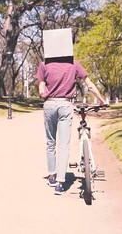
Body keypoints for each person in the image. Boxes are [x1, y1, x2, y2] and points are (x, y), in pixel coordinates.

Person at [36, 57, 107, 195]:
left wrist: (44, 94)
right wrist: (101, 100)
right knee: (64, 144)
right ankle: (60, 184)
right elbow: (89, 84)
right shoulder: (73, 63)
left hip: (49, 104)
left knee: (51, 142)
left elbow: (41, 87)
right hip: (65, 104)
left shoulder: (44, 64)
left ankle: (51, 176)